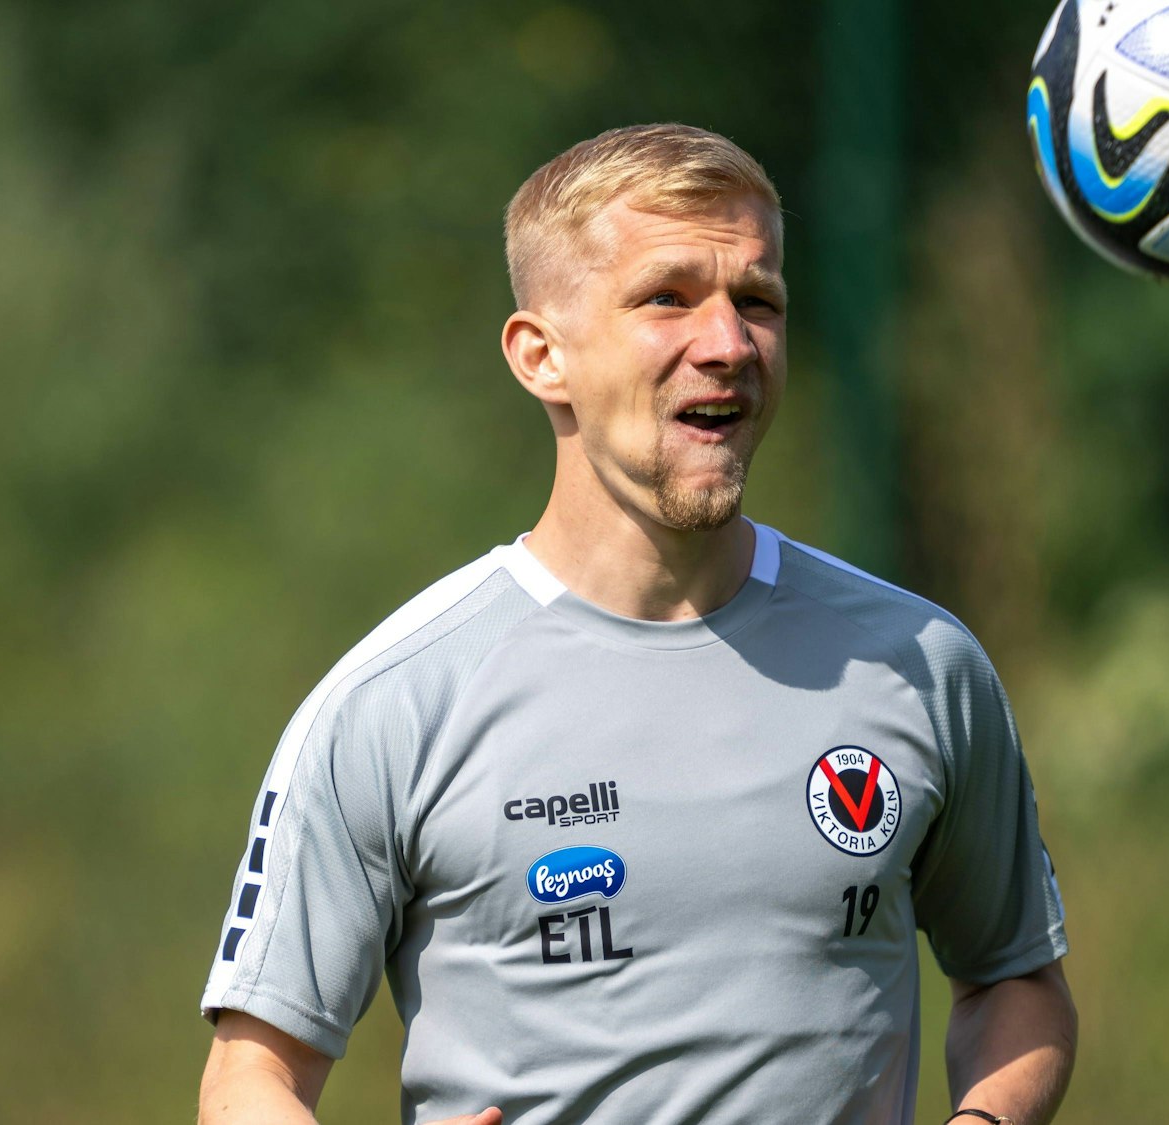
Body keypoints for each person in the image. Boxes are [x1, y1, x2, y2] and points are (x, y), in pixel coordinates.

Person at [196, 123, 1076, 1125]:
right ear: (541, 357)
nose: (729, 344)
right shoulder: (391, 703)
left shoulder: (920, 663)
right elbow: (249, 1077)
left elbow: (1016, 981)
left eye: (757, 302)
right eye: (667, 298)